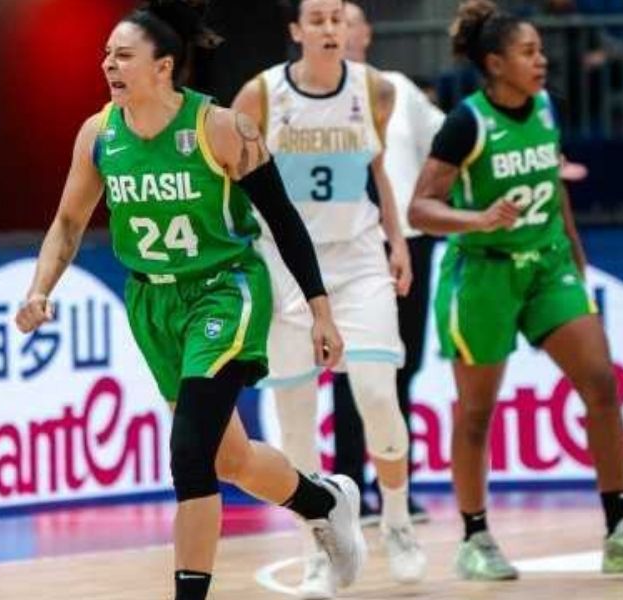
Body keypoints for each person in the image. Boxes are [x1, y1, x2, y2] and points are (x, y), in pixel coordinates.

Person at [13, 4, 364, 599]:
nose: (109, 65)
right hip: (153, 303)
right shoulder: (99, 135)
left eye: (124, 55)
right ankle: (323, 501)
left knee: (188, 454)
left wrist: (320, 311)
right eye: (106, 55)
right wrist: (39, 289)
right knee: (230, 459)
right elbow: (68, 223)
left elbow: (283, 220)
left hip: (224, 291)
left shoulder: (222, 128)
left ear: (163, 67)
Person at [409, 0, 623, 581]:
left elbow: (553, 185)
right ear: (495, 64)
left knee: (601, 384)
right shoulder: (467, 123)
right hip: (484, 273)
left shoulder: (548, 106)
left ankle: (620, 533)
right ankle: (475, 538)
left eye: (541, 51)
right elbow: (420, 208)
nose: (541, 61)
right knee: (476, 412)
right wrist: (478, 219)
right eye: (528, 52)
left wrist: (576, 257)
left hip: (548, 264)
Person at [232, 0, 427, 595]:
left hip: (358, 260)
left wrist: (398, 241)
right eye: (316, 19)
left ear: (349, 29)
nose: (328, 29)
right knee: (296, 421)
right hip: (286, 264)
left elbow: (380, 172)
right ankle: (316, 548)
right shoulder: (260, 96)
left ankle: (396, 522)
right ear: (296, 31)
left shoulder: (375, 89)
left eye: (337, 19)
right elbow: (229, 177)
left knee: (378, 395)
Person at [329, 0, 445, 528]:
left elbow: (447, 143)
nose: (338, 31)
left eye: (347, 21)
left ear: (367, 34)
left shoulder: (398, 89)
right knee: (352, 369)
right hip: (349, 248)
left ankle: (397, 488)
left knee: (404, 365)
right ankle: (347, 488)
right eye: (327, 21)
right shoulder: (308, 99)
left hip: (410, 244)